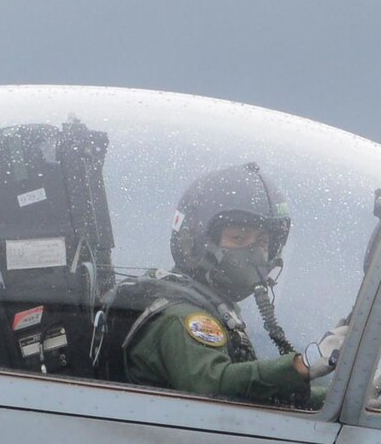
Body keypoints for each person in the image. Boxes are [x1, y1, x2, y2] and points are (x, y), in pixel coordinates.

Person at [108, 162, 346, 405]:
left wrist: (337, 400)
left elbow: (255, 395)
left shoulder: (216, 311)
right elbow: (215, 387)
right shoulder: (180, 318)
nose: (254, 254)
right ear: (195, 241)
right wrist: (304, 363)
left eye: (263, 242)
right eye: (238, 238)